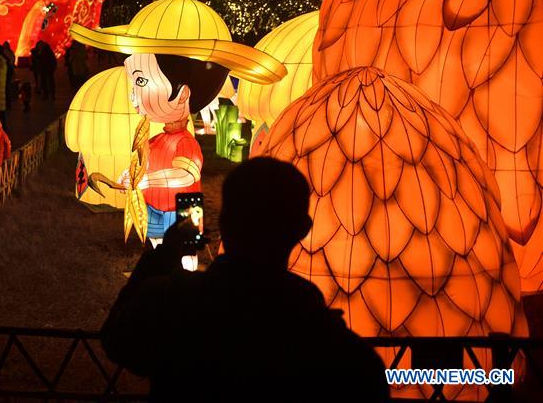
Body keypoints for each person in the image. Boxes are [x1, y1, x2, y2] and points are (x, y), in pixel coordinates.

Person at [101, 158, 389, 403]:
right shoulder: (326, 342)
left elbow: (116, 339)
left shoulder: (171, 303)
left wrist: (161, 257)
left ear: (223, 221)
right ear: (303, 229)